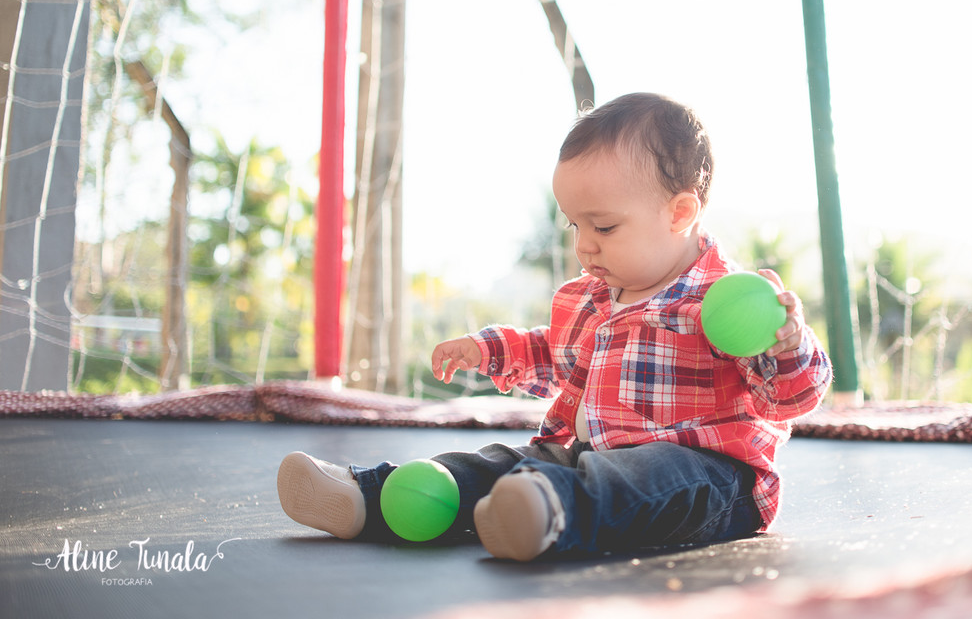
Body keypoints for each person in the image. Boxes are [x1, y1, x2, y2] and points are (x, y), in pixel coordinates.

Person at [277, 92, 832, 561]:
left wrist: (785, 343)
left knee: (638, 479)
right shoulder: (591, 301)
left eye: (605, 226)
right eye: (575, 224)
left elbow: (789, 398)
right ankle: (369, 498)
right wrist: (491, 349)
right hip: (583, 456)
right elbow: (555, 356)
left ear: (680, 213)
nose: (584, 244)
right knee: (502, 463)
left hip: (709, 479)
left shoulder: (724, 301)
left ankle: (544, 513)